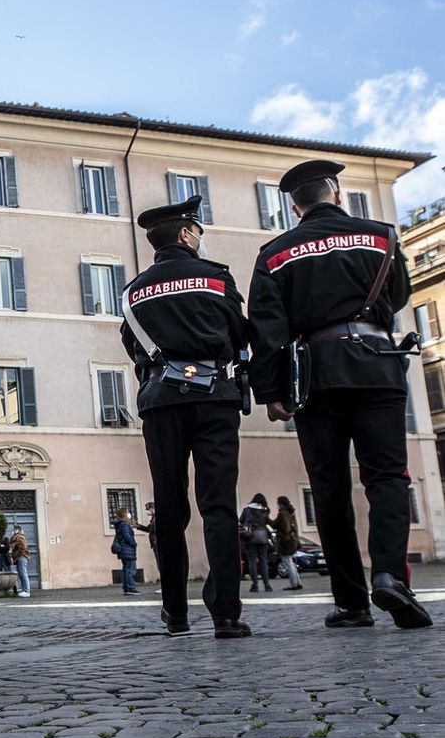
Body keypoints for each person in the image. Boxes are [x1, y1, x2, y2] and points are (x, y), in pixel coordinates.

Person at [248, 159, 432, 630]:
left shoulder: (274, 253)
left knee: (329, 489)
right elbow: (398, 296)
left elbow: (267, 329)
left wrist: (271, 391)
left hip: (315, 375)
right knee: (388, 477)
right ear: (338, 194)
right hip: (377, 364)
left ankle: (351, 601)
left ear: (294, 206)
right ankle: (391, 575)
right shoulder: (383, 235)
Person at [120, 194, 250, 638]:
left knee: (170, 507)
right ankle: (226, 614)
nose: (200, 236)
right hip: (215, 395)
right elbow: (238, 333)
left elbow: (133, 347)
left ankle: (175, 611)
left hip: (160, 399)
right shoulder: (216, 278)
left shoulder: (133, 291)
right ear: (185, 234)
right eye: (198, 230)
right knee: (219, 505)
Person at [240, 494, 275, 593]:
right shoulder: (265, 510)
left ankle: (255, 585)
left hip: (250, 537)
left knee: (252, 561)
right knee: (263, 561)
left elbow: (241, 521)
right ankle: (267, 584)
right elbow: (268, 522)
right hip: (263, 537)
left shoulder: (247, 510)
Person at [274, 495, 303, 590]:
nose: (277, 505)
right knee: (291, 562)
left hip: (285, 542)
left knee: (288, 562)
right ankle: (297, 582)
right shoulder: (291, 512)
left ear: (281, 504)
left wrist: (266, 519)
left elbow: (276, 525)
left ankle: (294, 584)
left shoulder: (282, 513)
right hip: (292, 540)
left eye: (278, 503)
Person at [113, 509, 140, 596]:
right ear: (124, 514)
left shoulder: (120, 525)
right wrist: (134, 543)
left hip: (124, 550)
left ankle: (127, 587)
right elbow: (127, 536)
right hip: (127, 550)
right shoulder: (124, 525)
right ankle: (130, 587)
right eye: (127, 512)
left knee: (126, 569)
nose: (129, 514)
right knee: (130, 569)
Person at [9, 526, 32, 598]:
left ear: (17, 530)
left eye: (13, 530)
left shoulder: (19, 537)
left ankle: (26, 591)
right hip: (20, 557)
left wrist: (16, 555)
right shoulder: (16, 538)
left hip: (22, 557)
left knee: (23, 574)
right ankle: (24, 590)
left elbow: (22, 547)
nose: (12, 532)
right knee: (21, 574)